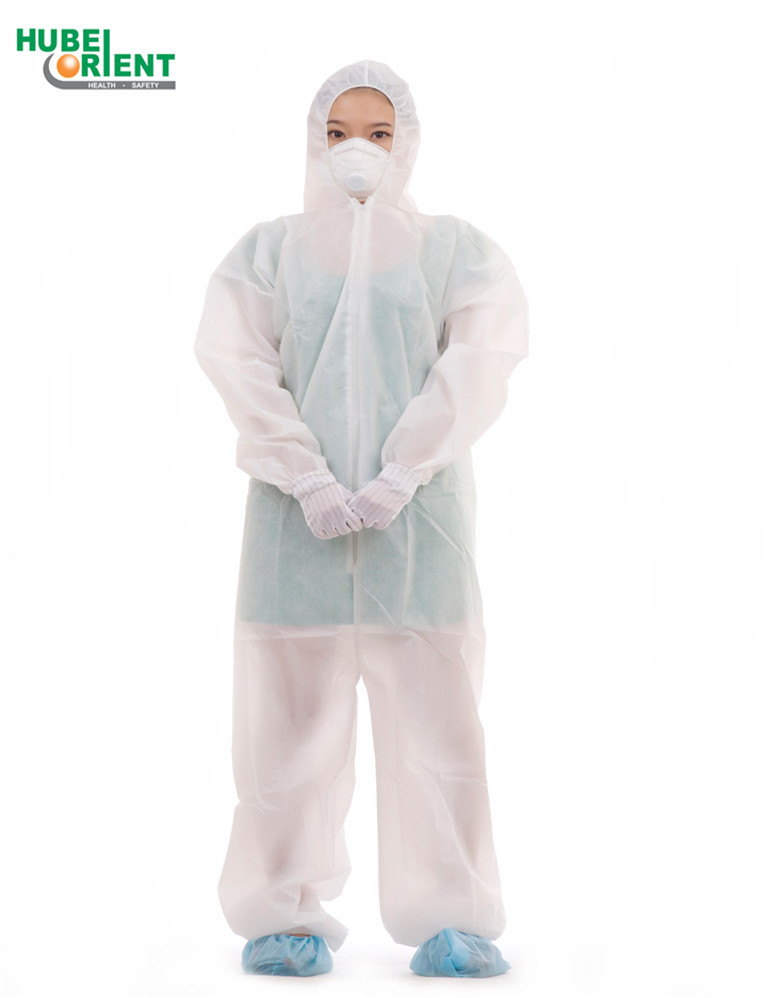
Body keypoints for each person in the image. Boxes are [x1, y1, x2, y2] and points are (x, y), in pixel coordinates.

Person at [194, 58, 529, 978]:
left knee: (440, 735)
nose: (359, 150)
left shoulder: (455, 251)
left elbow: (482, 360)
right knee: (285, 738)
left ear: (406, 142)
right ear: (314, 140)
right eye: (340, 131)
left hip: (419, 538)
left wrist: (404, 468)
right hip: (291, 540)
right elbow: (235, 360)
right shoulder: (267, 253)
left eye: (379, 133)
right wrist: (303, 475)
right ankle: (280, 912)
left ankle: (455, 918)